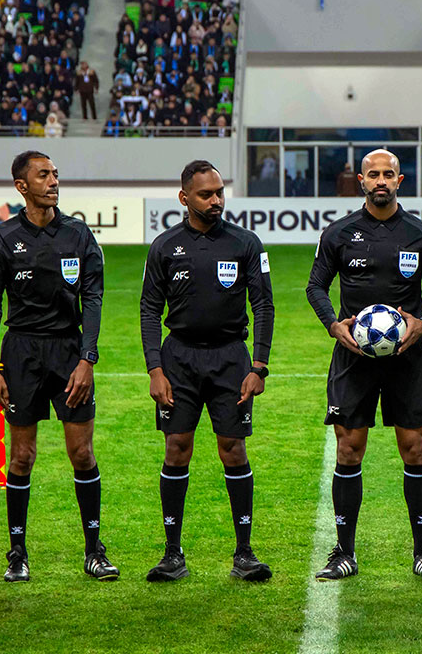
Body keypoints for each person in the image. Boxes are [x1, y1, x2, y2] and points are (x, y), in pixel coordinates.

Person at [305, 148, 422, 581]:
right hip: (353, 358)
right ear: (361, 181)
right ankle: (344, 552)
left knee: (415, 448)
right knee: (349, 449)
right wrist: (333, 324)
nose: (381, 181)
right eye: (373, 174)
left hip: (407, 358)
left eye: (388, 174)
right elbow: (316, 286)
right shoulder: (338, 233)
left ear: (399, 180)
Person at [0, 150, 117, 583]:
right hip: (21, 354)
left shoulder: (78, 234)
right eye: (43, 175)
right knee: (21, 457)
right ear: (22, 186)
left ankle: (94, 551)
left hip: (68, 351)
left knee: (82, 453)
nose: (53, 181)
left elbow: (93, 297)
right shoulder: (3, 237)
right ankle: (17, 554)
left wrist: (87, 358)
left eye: (55, 174)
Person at [141, 160, 275, 583]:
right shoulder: (164, 246)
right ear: (185, 198)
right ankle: (172, 554)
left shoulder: (245, 243)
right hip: (178, 359)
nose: (216, 200)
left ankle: (244, 553)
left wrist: (258, 366)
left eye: (219, 192)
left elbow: (263, 305)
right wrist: (155, 368)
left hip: (230, 359)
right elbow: (149, 309)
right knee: (176, 448)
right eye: (206, 194)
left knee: (233, 449)